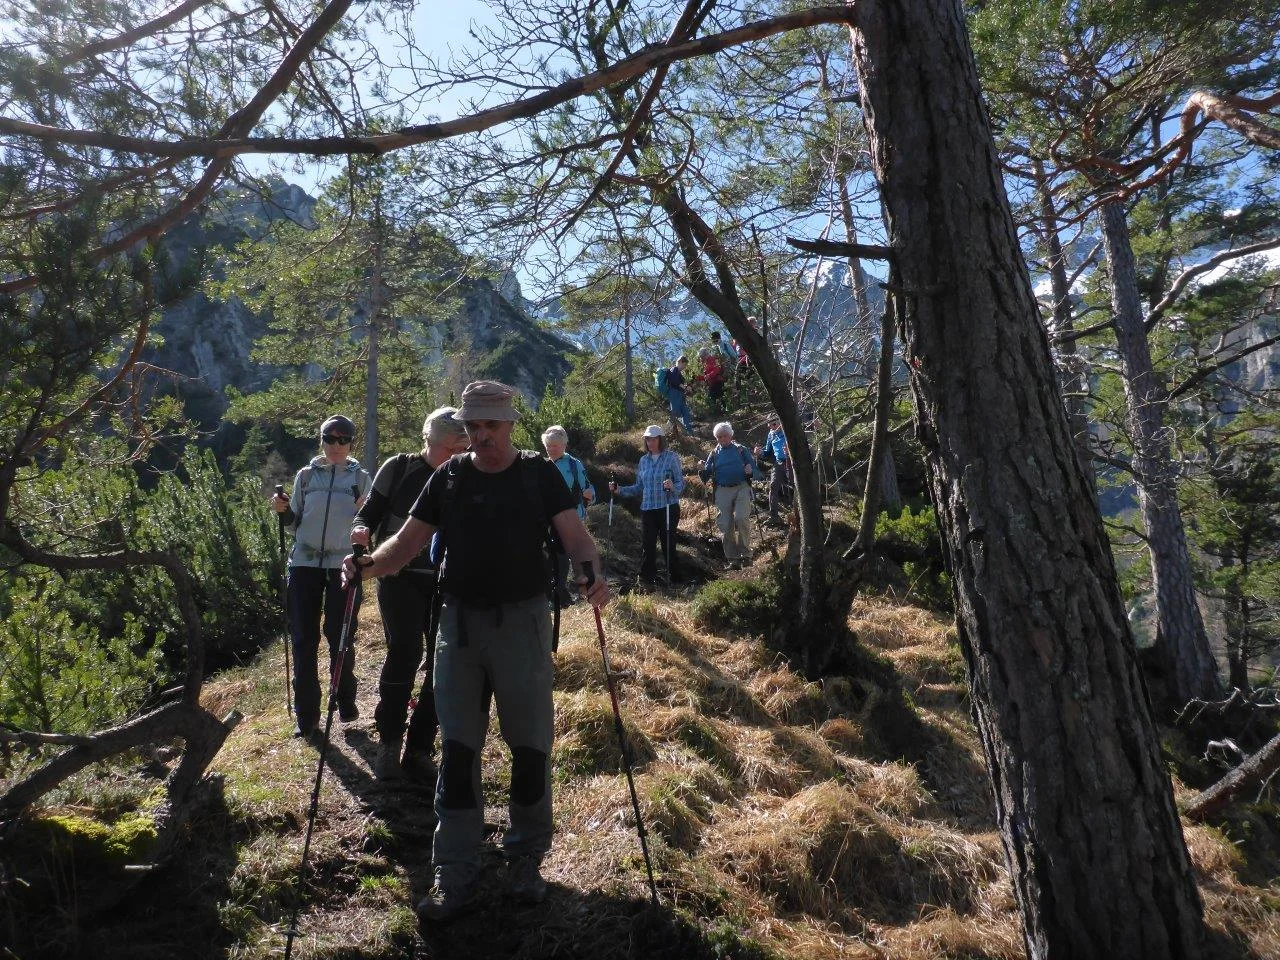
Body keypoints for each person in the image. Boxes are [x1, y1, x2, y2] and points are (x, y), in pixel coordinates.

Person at [341, 380, 608, 923]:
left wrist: (592, 574)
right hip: (458, 627)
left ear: (510, 425)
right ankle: (454, 870)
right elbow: (407, 543)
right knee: (459, 751)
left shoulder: (539, 474)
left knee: (530, 747)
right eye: (473, 426)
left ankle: (525, 861)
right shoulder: (448, 477)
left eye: (491, 425)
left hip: (524, 624)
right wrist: (368, 567)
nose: (482, 435)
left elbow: (576, 539)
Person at [351, 407, 470, 782]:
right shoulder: (399, 468)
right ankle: (389, 740)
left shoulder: (466, 473)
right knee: (405, 651)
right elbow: (369, 512)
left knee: (441, 662)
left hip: (446, 580)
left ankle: (419, 747)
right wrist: (361, 531)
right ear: (429, 440)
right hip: (397, 575)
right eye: (450, 449)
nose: (455, 456)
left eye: (461, 449)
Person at [271, 415, 372, 739]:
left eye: (344, 439)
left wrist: (365, 514)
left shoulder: (362, 478)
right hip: (304, 562)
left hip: (344, 564)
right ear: (322, 440)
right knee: (303, 638)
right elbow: (293, 522)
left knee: (340, 635)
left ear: (352, 443)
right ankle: (307, 717)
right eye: (330, 438)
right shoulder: (305, 476)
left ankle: (345, 699)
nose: (336, 445)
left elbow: (370, 526)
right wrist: (283, 510)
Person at [609, 424, 685, 584]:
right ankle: (648, 579)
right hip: (648, 509)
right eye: (648, 439)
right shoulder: (643, 460)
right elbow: (639, 487)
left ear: (660, 440)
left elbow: (680, 483)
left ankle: (675, 579)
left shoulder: (671, 457)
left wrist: (672, 486)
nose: (650, 442)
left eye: (653, 439)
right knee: (648, 544)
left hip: (668, 507)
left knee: (668, 544)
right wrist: (619, 490)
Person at [540, 425, 596, 606]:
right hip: (546, 518)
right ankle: (553, 592)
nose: (551, 449)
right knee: (549, 553)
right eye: (548, 445)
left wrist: (590, 494)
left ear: (564, 445)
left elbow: (588, 488)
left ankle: (560, 593)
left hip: (570, 516)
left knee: (561, 552)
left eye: (555, 445)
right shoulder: (541, 465)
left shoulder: (573, 464)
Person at [699, 422, 757, 569]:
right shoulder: (714, 454)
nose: (722, 439)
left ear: (731, 435)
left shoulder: (740, 450)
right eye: (719, 437)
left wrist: (750, 471)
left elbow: (755, 470)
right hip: (722, 489)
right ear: (716, 438)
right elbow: (706, 476)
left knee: (741, 518)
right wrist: (701, 469)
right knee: (725, 524)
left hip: (742, 487)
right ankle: (733, 559)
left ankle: (746, 555)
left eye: (725, 436)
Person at [755, 415, 791, 526]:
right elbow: (767, 452)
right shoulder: (771, 434)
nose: (772, 427)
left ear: (780, 422)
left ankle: (800, 513)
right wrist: (760, 452)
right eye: (769, 425)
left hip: (792, 462)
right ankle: (774, 516)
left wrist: (790, 450)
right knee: (773, 486)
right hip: (779, 462)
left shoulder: (789, 430)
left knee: (795, 486)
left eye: (774, 424)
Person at [666, 355, 693, 433]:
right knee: (675, 412)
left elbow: (679, 382)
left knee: (686, 413)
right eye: (684, 364)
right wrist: (685, 388)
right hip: (674, 393)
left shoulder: (678, 372)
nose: (685, 367)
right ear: (680, 362)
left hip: (680, 394)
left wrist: (686, 387)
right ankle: (667, 429)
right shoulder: (674, 369)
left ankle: (689, 433)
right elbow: (674, 381)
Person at [695, 348, 726, 414]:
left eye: (702, 356)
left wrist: (709, 375)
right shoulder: (705, 363)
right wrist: (698, 377)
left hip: (718, 380)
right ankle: (718, 411)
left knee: (719, 395)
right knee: (713, 396)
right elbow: (705, 376)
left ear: (705, 354)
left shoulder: (713, 359)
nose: (701, 358)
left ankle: (724, 410)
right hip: (712, 382)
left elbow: (717, 369)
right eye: (701, 357)